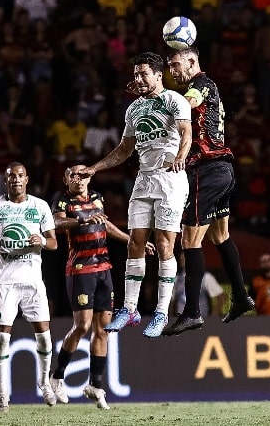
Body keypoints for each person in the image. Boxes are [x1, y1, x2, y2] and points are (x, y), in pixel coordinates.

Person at [81, 51, 192, 338]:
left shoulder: (174, 100)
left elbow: (186, 131)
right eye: (136, 74)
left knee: (165, 246)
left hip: (170, 180)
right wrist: (95, 168)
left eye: (144, 74)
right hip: (144, 181)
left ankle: (160, 313)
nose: (139, 79)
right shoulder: (134, 109)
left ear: (158, 75)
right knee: (136, 244)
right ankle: (130, 309)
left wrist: (181, 155)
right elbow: (124, 149)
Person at [162, 46, 255, 336]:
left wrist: (156, 105)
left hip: (208, 169)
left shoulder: (201, 84)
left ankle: (192, 312)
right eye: (170, 66)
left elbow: (188, 102)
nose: (173, 71)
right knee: (219, 235)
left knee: (189, 239)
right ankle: (240, 297)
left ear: (192, 61)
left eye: (177, 64)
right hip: (222, 169)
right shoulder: (203, 85)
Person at [49, 164, 153, 409]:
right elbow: (56, 222)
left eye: (82, 173)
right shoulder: (63, 202)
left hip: (103, 269)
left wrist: (133, 241)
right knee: (82, 326)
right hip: (80, 269)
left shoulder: (97, 198)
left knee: (103, 330)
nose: (78, 177)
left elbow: (105, 226)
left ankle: (95, 385)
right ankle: (57, 376)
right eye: (72, 174)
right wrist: (82, 219)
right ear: (66, 180)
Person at [0, 161, 58, 411]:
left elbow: (53, 243)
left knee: (44, 338)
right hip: (4, 282)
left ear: (27, 179)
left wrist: (41, 239)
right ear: (5, 180)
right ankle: (2, 394)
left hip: (32, 281)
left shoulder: (39, 206)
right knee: (2, 338)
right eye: (11, 176)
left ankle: (43, 383)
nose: (16, 180)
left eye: (20, 176)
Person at [170, 251, 226, 318]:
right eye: (181, 258)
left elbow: (221, 297)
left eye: (185, 257)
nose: (182, 259)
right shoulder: (176, 279)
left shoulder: (205, 277)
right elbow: (171, 301)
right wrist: (170, 318)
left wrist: (213, 316)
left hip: (200, 321)